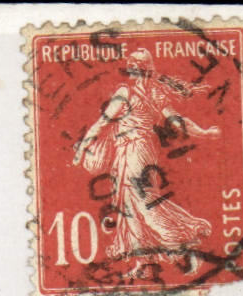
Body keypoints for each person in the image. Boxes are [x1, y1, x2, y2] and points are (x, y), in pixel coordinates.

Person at [72, 48, 221, 276]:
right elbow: (178, 121)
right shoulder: (156, 92)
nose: (128, 69)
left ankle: (181, 241)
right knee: (130, 204)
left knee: (141, 201)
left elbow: (102, 122)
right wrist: (204, 132)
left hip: (133, 150)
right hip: (144, 149)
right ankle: (143, 261)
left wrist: (83, 146)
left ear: (135, 67)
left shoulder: (126, 92)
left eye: (131, 65)